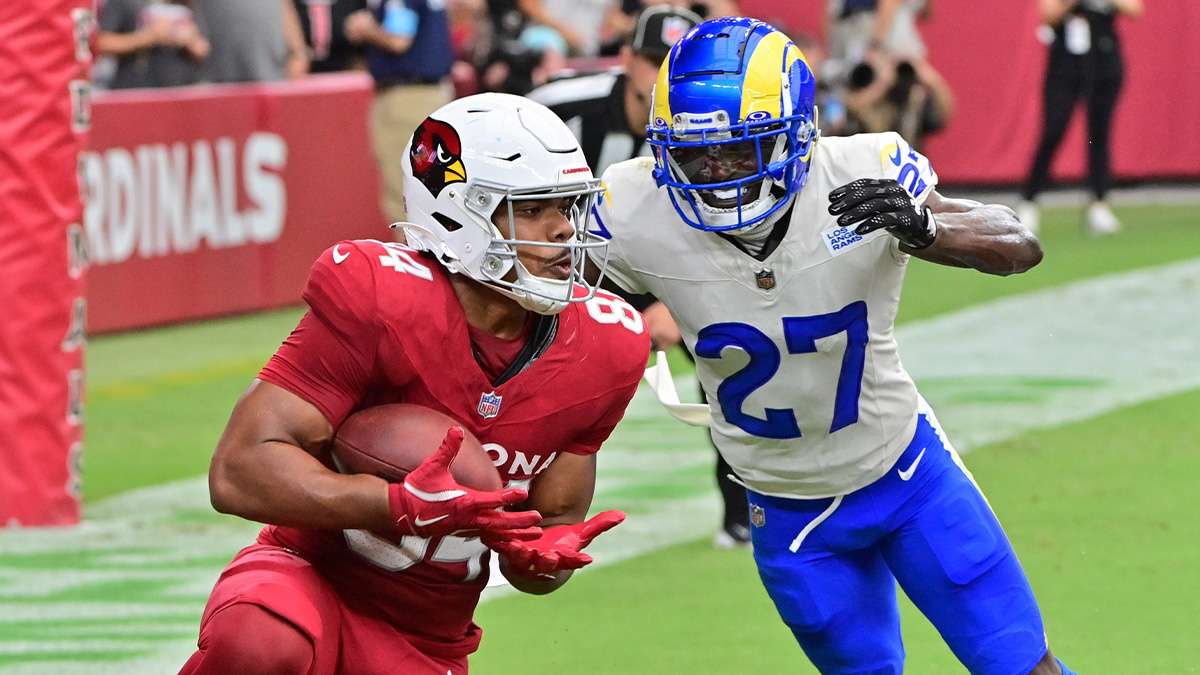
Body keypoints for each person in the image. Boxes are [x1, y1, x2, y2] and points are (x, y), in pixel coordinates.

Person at [594, 17, 1079, 675]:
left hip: (907, 475)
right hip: (788, 511)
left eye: (739, 152)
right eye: (692, 155)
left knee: (1022, 665)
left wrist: (927, 229)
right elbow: (539, 300)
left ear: (798, 133)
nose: (716, 177)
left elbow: (1018, 241)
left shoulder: (860, 169)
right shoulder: (632, 206)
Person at [178, 93, 649, 675]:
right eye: (531, 209)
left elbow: (551, 523)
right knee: (259, 638)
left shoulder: (604, 346)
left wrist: (539, 561)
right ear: (458, 213)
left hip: (428, 631)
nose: (561, 231)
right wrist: (394, 504)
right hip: (310, 575)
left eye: (566, 207)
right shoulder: (381, 299)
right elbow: (239, 469)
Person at [530, 5, 753, 548]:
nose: (661, 78)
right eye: (653, 60)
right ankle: (514, 507)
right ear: (627, 60)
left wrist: (675, 302)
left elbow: (735, 222)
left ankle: (749, 512)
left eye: (676, 63)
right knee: (530, 380)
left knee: (738, 366)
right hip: (564, 264)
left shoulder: (715, 126)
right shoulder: (558, 108)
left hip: (675, 268)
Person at [1017, 0, 1144, 236]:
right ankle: (1029, 202)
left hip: (1104, 59)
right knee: (1053, 131)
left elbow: (1135, 9)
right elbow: (1048, 15)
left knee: (1099, 135)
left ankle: (1099, 204)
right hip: (1066, 64)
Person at [345, 0, 455, 225]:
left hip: (407, 99)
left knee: (408, 191)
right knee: (437, 188)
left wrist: (367, 28)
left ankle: (415, 259)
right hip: (428, 94)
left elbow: (398, 40)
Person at [96, 0, 210, 89]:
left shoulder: (184, 3)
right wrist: (147, 38)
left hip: (178, 91)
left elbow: (202, 49)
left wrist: (188, 39)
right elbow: (101, 43)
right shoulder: (125, 2)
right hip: (135, 90)